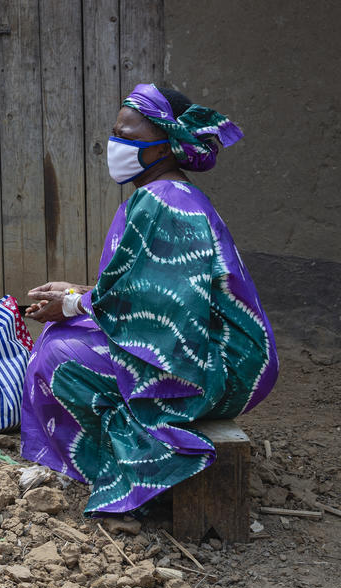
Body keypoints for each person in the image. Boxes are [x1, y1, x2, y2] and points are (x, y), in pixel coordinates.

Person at [21, 84, 279, 514]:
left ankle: (135, 470)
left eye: (129, 137)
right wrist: (78, 294)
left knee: (60, 357)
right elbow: (144, 289)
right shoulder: (162, 194)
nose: (115, 145)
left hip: (219, 368)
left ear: (165, 146)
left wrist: (73, 304)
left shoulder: (165, 200)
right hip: (214, 354)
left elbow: (166, 310)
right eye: (115, 133)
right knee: (61, 334)